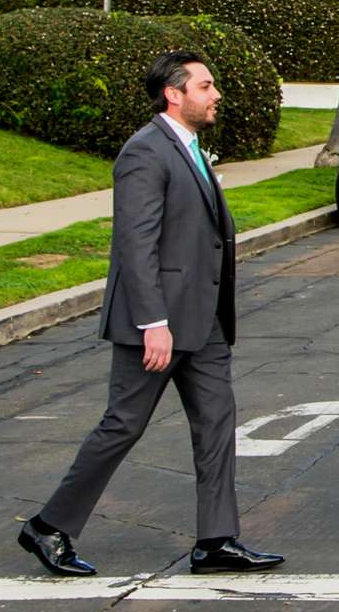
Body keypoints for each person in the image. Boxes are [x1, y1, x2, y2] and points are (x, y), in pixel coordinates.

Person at [19, 52, 282, 578]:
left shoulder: (189, 149)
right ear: (174, 94)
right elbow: (135, 246)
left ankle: (216, 540)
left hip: (203, 320)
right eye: (206, 85)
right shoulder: (144, 152)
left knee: (217, 423)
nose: (216, 94)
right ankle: (49, 527)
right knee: (123, 425)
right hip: (158, 323)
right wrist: (152, 323)